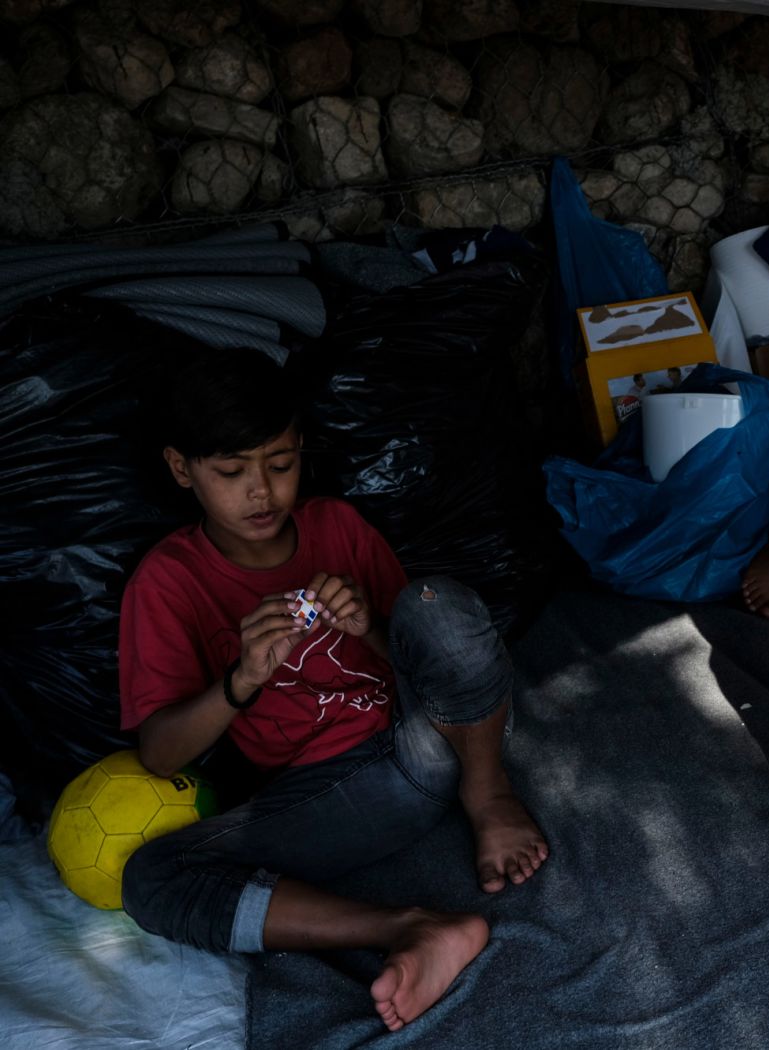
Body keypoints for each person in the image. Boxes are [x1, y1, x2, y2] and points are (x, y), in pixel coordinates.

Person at [116, 348, 549, 1032]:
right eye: (231, 473)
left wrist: (368, 625)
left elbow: (427, 650)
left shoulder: (337, 529)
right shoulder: (168, 582)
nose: (261, 492)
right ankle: (408, 928)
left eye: (280, 464)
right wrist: (241, 681)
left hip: (438, 726)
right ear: (181, 470)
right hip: (340, 795)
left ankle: (489, 792)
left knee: (434, 601)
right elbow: (162, 755)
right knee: (151, 880)